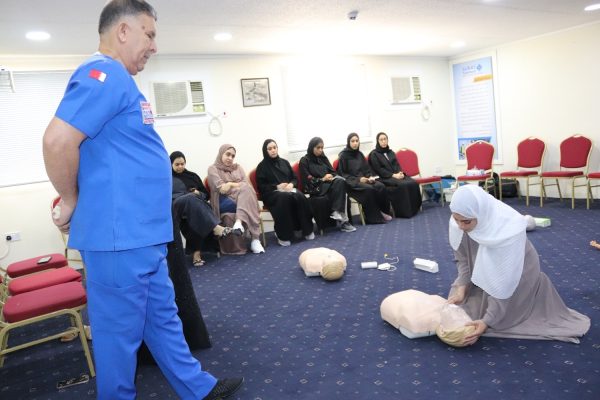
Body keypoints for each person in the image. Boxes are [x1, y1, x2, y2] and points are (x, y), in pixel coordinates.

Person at [42, 1, 242, 399]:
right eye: (148, 34)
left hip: (142, 235)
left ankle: (197, 388)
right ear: (123, 31)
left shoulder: (119, 81)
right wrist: (69, 198)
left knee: (163, 319)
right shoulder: (102, 74)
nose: (153, 45)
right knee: (118, 337)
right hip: (120, 238)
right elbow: (57, 140)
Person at [447, 185, 590, 346]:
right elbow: (463, 260)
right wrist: (462, 288)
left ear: (481, 213)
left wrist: (487, 321)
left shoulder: (507, 231)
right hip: (490, 271)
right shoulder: (459, 220)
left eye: (466, 222)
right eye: (456, 220)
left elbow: (504, 282)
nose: (461, 226)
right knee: (459, 302)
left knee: (492, 318)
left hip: (518, 276)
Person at [170, 151, 231, 266]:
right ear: (171, 164)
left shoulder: (192, 176)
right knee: (191, 199)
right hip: (176, 207)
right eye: (177, 164)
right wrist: (188, 195)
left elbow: (206, 194)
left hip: (193, 207)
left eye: (182, 164)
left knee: (195, 214)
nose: (180, 167)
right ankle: (216, 227)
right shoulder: (167, 179)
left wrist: (198, 193)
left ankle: (196, 254)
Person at [207, 144, 265, 254]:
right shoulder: (212, 169)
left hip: (240, 199)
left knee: (247, 190)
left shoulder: (238, 168)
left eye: (233, 156)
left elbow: (246, 184)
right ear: (221, 153)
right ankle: (255, 239)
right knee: (247, 192)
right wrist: (234, 184)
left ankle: (239, 223)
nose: (230, 158)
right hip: (224, 201)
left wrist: (231, 185)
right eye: (227, 154)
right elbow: (222, 189)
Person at [255, 139, 315, 246]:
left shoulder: (284, 162)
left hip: (289, 190)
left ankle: (307, 230)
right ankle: (283, 235)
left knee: (300, 196)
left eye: (274, 147)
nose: (273, 150)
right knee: (284, 197)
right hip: (272, 194)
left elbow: (295, 178)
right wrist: (277, 186)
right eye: (270, 149)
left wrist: (291, 184)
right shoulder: (262, 167)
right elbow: (262, 187)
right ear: (265, 151)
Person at [299, 137, 356, 232]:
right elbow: (307, 179)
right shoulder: (304, 161)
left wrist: (331, 176)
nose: (320, 150)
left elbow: (333, 172)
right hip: (316, 188)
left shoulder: (323, 158)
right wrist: (322, 179)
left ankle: (337, 212)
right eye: (318, 148)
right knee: (341, 187)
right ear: (312, 147)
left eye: (322, 148)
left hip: (329, 185)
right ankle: (343, 221)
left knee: (341, 181)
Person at [337, 133, 392, 224]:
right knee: (369, 189)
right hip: (352, 184)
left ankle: (383, 211)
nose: (355, 143)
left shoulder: (360, 154)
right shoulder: (343, 156)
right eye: (352, 141)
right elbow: (343, 175)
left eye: (357, 141)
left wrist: (369, 177)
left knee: (380, 186)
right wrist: (359, 179)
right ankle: (374, 217)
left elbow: (367, 169)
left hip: (364, 180)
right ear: (348, 142)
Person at [368, 132, 422, 218]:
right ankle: (405, 212)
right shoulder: (374, 154)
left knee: (413, 182)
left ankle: (414, 209)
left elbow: (397, 165)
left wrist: (400, 173)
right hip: (384, 177)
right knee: (403, 185)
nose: (383, 141)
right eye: (381, 140)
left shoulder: (391, 152)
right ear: (378, 141)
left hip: (396, 176)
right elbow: (379, 169)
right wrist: (393, 175)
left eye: (385, 139)